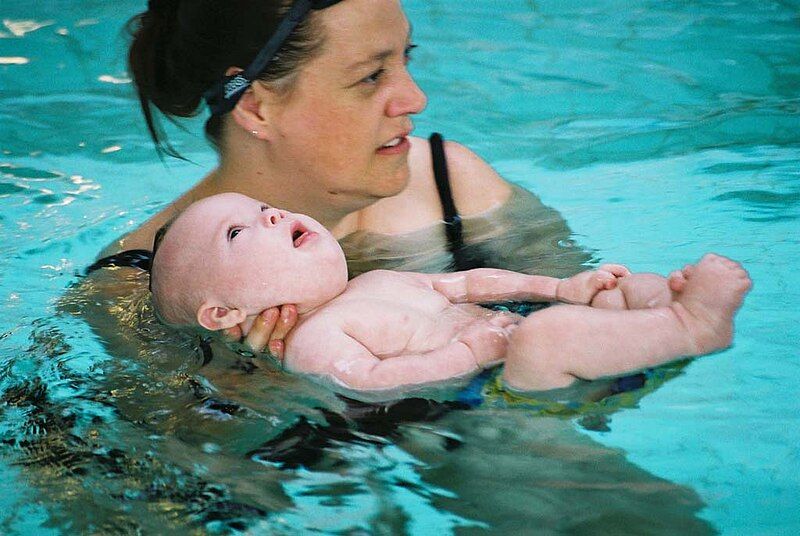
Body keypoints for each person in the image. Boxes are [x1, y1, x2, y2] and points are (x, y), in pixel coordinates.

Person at [102, 0, 591, 357]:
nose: (414, 98)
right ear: (258, 106)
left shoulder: (451, 185)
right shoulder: (138, 287)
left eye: (406, 59)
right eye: (371, 76)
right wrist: (254, 383)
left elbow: (591, 316)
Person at [149, 193, 751, 394]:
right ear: (224, 314)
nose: (273, 215)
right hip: (512, 390)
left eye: (263, 209)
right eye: (239, 232)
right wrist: (470, 355)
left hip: (549, 350)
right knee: (546, 337)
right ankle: (693, 327)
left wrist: (559, 286)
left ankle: (657, 317)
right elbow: (374, 380)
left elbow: (467, 283)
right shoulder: (311, 343)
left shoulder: (373, 283)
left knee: (628, 288)